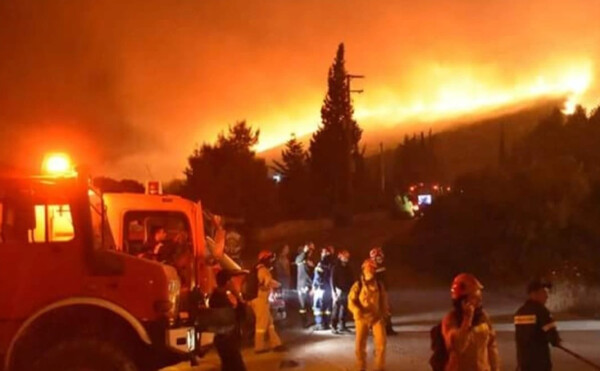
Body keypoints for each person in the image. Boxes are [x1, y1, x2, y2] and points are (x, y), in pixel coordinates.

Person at [442, 273, 500, 371]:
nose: (478, 302)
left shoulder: (483, 317)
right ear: (462, 301)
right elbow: (459, 346)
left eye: (479, 298)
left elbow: (491, 348)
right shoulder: (451, 320)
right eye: (474, 298)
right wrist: (467, 319)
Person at [348, 259, 388, 371]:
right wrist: (356, 310)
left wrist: (384, 313)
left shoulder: (379, 285)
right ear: (364, 269)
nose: (371, 270)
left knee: (382, 343)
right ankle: (361, 366)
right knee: (360, 345)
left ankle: (380, 367)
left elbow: (383, 300)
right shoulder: (358, 285)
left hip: (376, 318)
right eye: (369, 268)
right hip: (362, 318)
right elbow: (351, 301)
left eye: (372, 268)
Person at [515, 279, 561, 371]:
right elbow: (552, 336)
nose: (546, 296)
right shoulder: (542, 312)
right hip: (540, 362)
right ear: (534, 294)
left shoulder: (519, 312)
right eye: (543, 292)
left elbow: (519, 337)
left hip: (524, 361)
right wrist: (556, 341)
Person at [209, 269, 248, 371]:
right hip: (228, 340)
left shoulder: (216, 297)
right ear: (227, 282)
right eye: (231, 281)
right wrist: (236, 294)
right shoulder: (220, 299)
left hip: (224, 340)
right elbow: (241, 314)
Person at [251, 250, 285, 353]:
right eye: (270, 259)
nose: (271, 261)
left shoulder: (258, 269)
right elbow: (267, 283)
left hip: (259, 300)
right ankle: (259, 347)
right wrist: (278, 285)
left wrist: (277, 284)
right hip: (260, 300)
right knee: (261, 325)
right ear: (265, 259)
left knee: (270, 323)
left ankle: (276, 344)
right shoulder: (263, 270)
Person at [369, 247, 397, 335]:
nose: (380, 259)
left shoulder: (383, 266)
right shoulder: (369, 267)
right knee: (375, 311)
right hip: (374, 292)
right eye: (378, 258)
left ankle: (388, 328)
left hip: (383, 290)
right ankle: (374, 329)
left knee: (386, 310)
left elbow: (385, 277)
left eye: (381, 257)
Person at [331, 249, 354, 334]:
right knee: (336, 309)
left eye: (347, 256)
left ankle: (342, 326)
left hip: (346, 290)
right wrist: (334, 291)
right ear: (340, 257)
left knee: (344, 309)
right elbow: (332, 280)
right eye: (345, 256)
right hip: (338, 291)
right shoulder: (336, 267)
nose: (347, 258)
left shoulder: (348, 267)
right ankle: (333, 326)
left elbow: (351, 279)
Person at [312, 245, 334, 330]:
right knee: (327, 307)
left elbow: (318, 276)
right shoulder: (333, 263)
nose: (322, 253)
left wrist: (315, 286)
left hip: (321, 288)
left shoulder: (321, 263)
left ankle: (320, 324)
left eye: (323, 252)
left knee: (318, 306)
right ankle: (327, 323)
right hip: (329, 288)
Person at [295, 242, 315, 327]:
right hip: (302, 286)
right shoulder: (300, 259)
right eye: (310, 250)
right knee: (303, 306)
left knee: (312, 304)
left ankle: (315, 321)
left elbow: (312, 273)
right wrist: (305, 251)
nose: (311, 252)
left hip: (310, 285)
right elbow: (298, 260)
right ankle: (304, 322)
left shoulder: (309, 260)